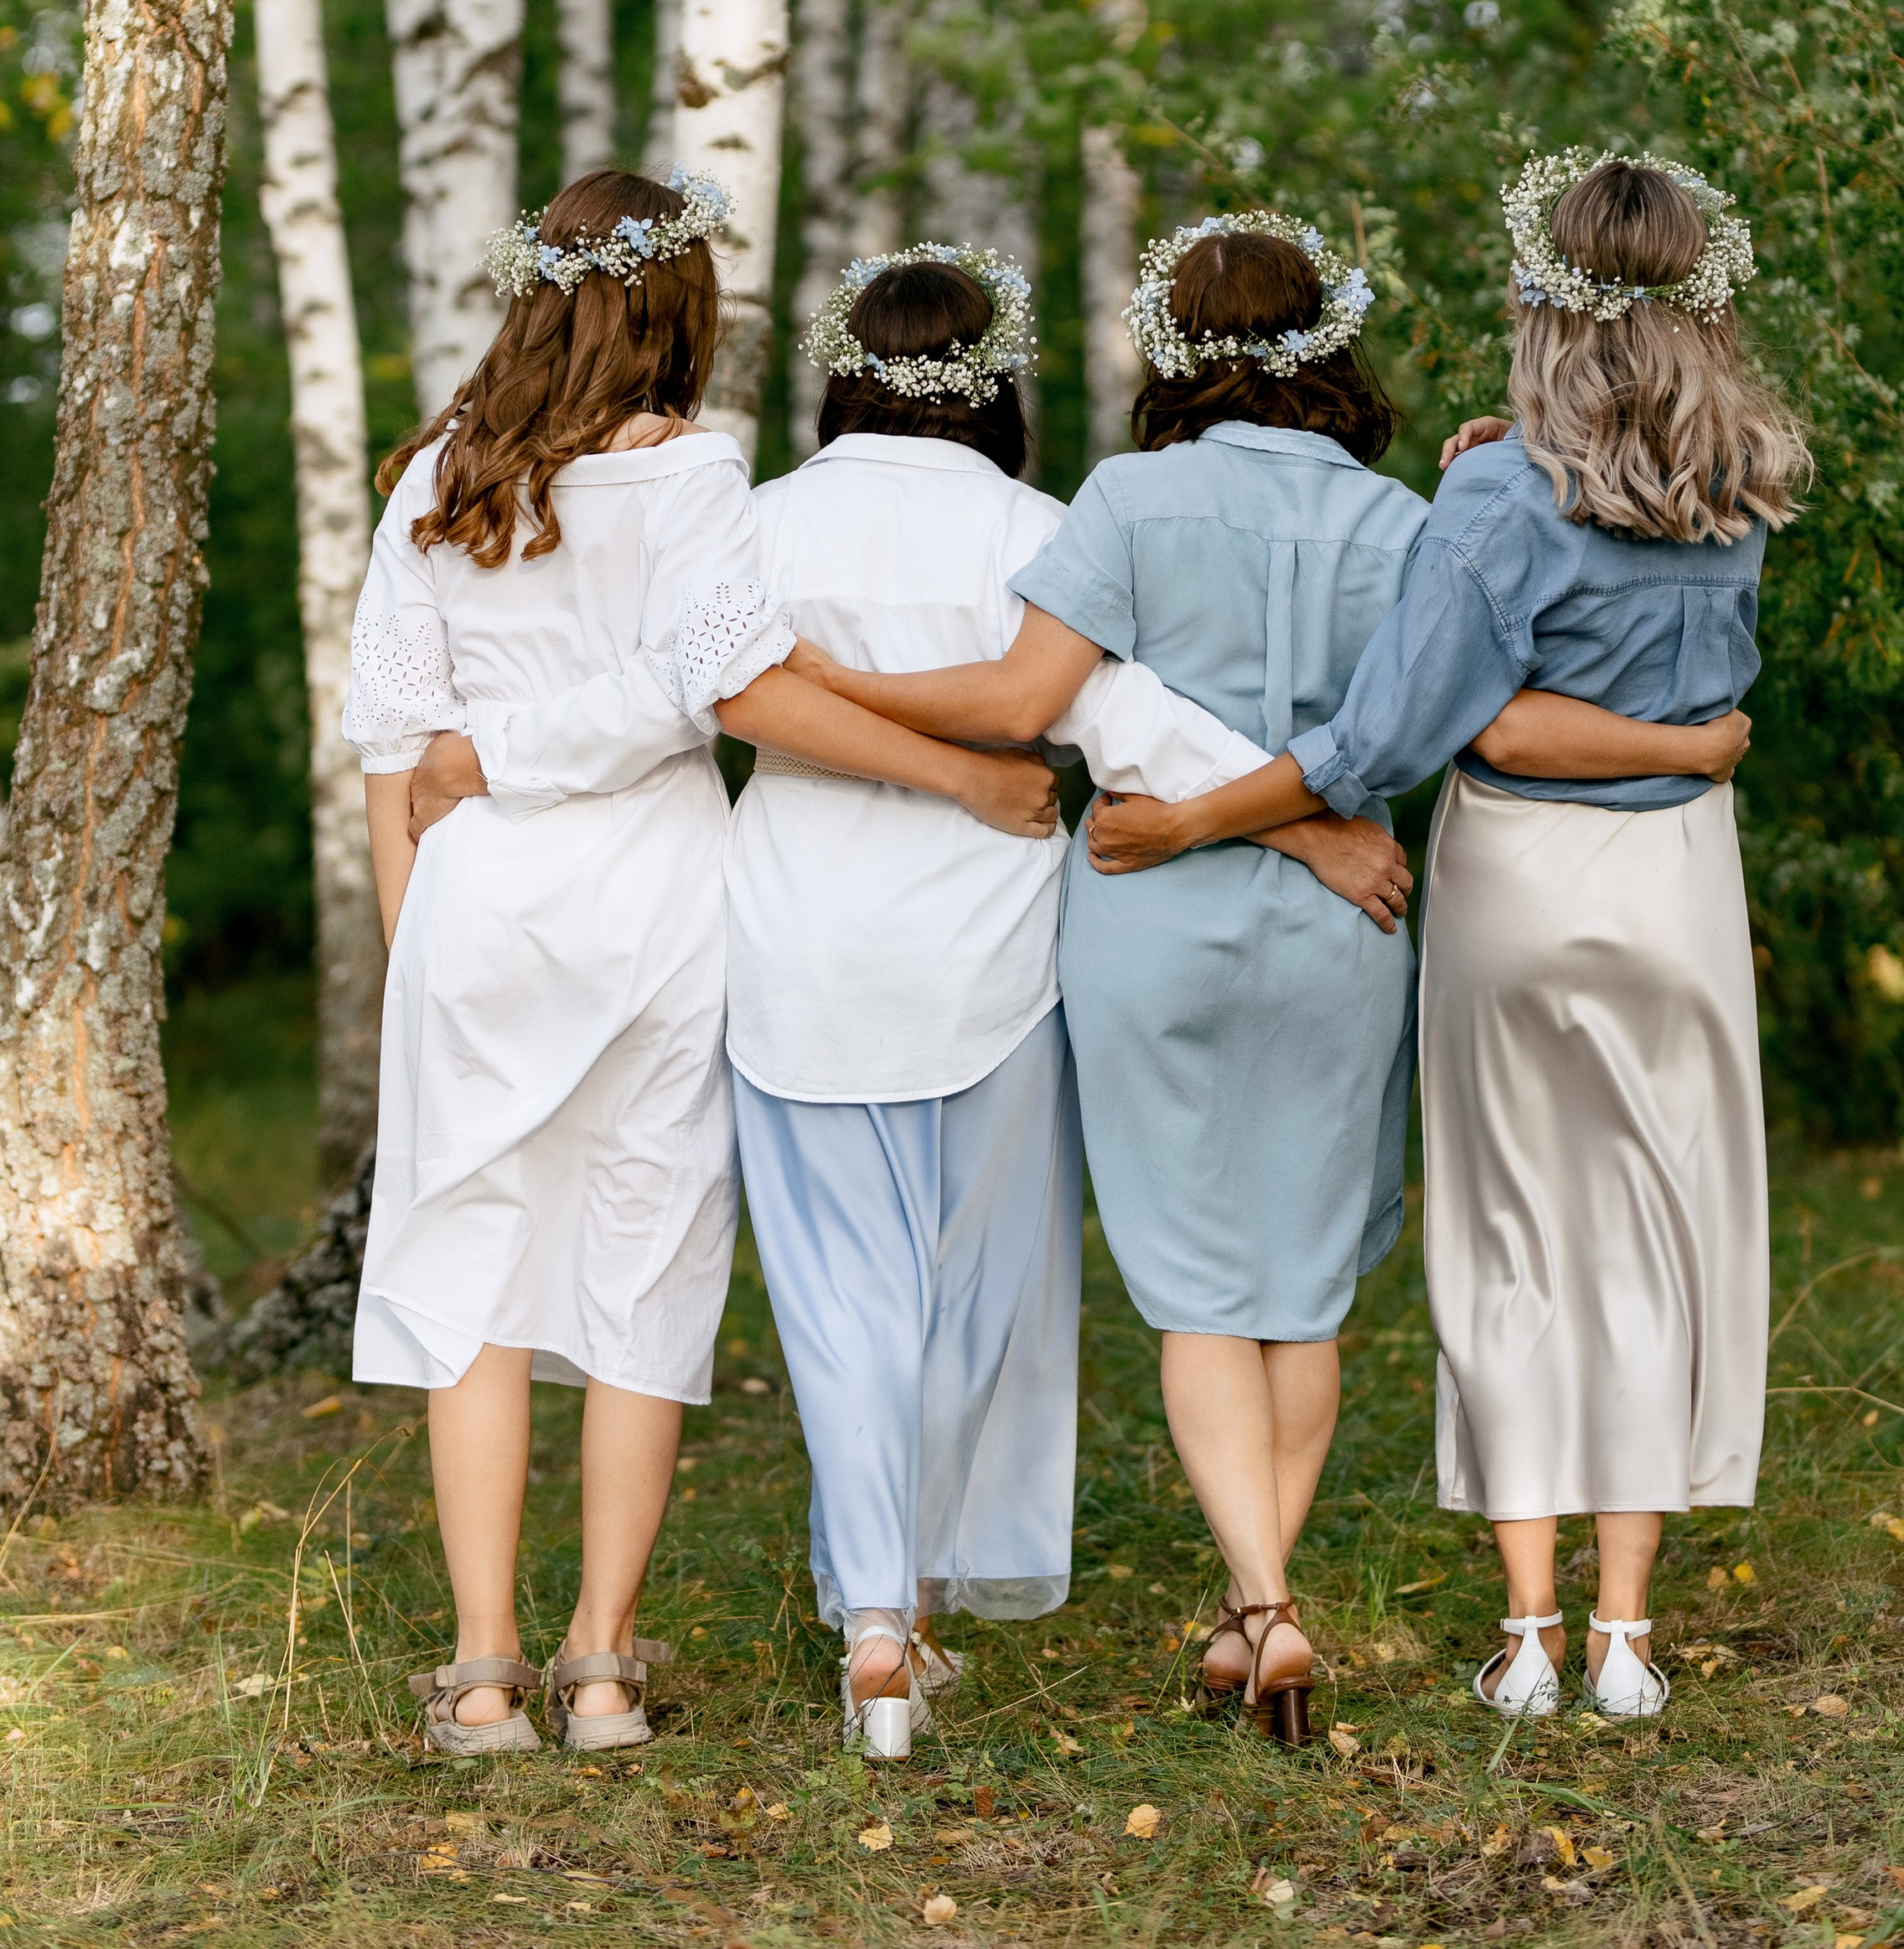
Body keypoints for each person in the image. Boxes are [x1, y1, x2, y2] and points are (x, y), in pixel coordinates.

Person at [784, 210, 1748, 1743]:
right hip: (1339, 928)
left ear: (1171, 350)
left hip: (1149, 908)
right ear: (1332, 344)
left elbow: (1033, 701)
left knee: (1194, 1298)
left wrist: (824, 677)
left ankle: (1264, 1605)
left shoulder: (1126, 499)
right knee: (1300, 1298)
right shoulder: (1401, 517)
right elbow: (1426, 717)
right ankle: (1262, 1596)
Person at [403, 241, 1359, 1758]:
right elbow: (1124, 719)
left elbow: (717, 691)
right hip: (987, 955)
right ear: (994, 381)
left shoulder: (755, 516)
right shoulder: (1043, 528)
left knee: (841, 1305)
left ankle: (868, 1633)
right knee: (969, 1295)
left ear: (850, 368)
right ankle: (906, 1602)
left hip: (794, 943)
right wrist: (1304, 820)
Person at [347, 174, 1059, 1758]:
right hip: (660, 899)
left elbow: (398, 757)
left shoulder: (428, 487)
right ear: (682, 310)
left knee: (477, 1280)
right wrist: (961, 777)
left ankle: (482, 1669)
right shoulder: (699, 479)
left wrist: (422, 944)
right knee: (643, 1266)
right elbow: (720, 689)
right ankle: (599, 1666)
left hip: (475, 908)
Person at [1087, 157, 1804, 1724]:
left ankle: (1531, 1634)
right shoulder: (1747, 476)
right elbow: (1686, 703)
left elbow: (1405, 733)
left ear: (1545, 298)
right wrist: (1686, 755)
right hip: (1681, 880)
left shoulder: (1496, 492)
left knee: (1514, 1236)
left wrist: (1210, 817)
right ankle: (1626, 1634)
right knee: (1660, 1232)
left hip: (1526, 887)